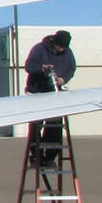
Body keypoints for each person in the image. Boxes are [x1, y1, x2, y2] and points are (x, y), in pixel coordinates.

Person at [24, 31, 76, 167]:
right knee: (36, 126)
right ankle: (36, 156)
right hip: (37, 92)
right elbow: (29, 66)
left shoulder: (67, 53)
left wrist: (63, 79)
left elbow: (71, 69)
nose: (60, 50)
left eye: (63, 48)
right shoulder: (39, 49)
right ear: (54, 42)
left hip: (54, 94)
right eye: (59, 47)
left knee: (55, 126)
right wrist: (42, 68)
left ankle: (50, 156)